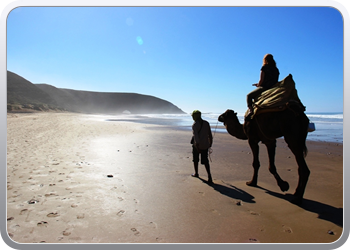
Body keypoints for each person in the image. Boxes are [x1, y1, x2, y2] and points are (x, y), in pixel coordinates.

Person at [190, 110, 213, 184]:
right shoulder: (206, 123)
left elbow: (196, 137)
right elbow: (210, 134)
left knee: (195, 159)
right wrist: (210, 143)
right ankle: (209, 176)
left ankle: (196, 173)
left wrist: (197, 146)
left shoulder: (195, 125)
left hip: (197, 145)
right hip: (205, 145)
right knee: (205, 161)